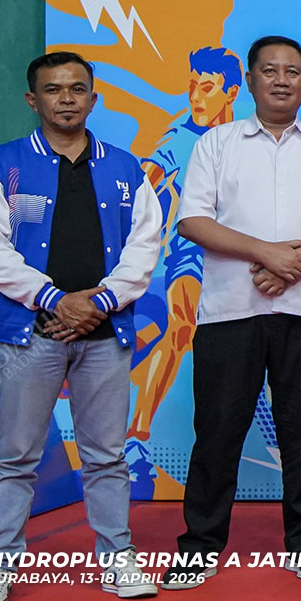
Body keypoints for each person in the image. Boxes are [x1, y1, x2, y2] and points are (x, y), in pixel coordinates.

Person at [164, 36, 301, 589]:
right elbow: (193, 221)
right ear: (251, 81)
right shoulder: (216, 144)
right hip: (230, 311)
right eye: (270, 70)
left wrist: (295, 263)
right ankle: (199, 547)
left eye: (293, 71)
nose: (282, 80)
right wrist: (267, 253)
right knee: (217, 433)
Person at [0, 52, 161, 601]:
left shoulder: (126, 169)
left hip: (105, 332)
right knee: (15, 458)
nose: (67, 98)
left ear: (94, 99)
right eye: (53, 89)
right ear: (33, 100)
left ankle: (118, 560)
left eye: (77, 88)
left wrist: (99, 303)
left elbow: (144, 248)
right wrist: (54, 300)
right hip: (31, 335)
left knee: (107, 457)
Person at [129, 46, 242, 488]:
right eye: (192, 85)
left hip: (252, 258)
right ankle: (137, 437)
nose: (196, 96)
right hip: (191, 250)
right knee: (181, 327)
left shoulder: (252, 137)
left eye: (207, 87)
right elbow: (145, 181)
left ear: (231, 92)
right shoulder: (181, 137)